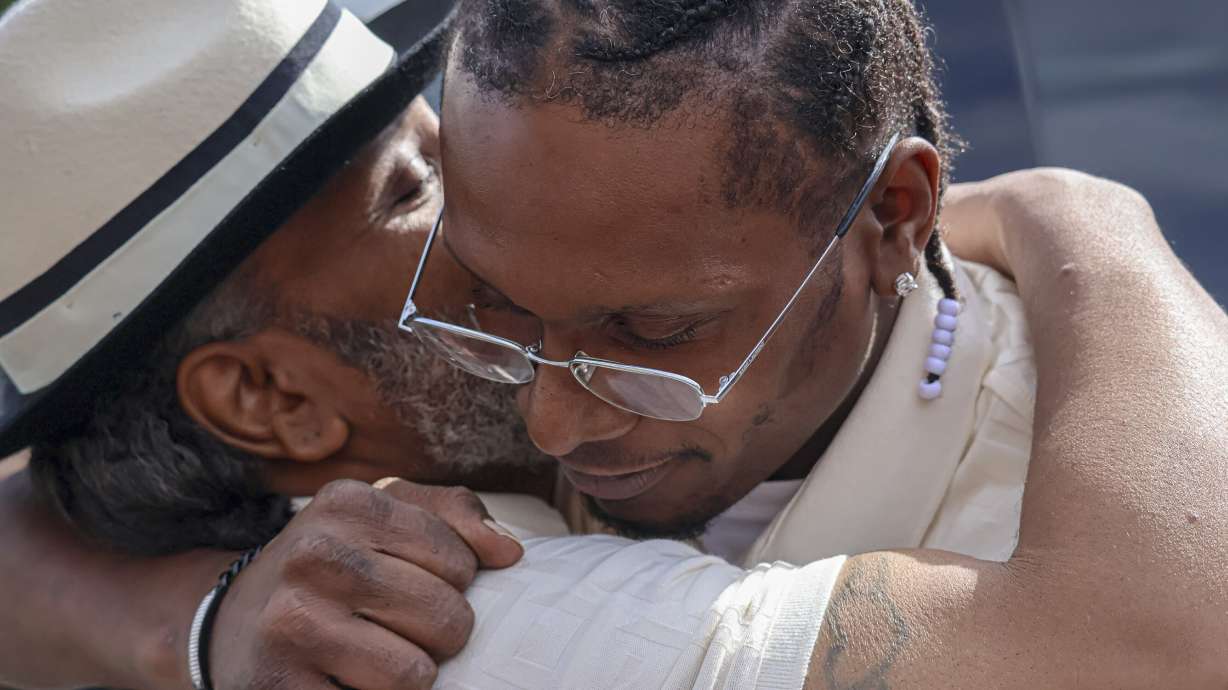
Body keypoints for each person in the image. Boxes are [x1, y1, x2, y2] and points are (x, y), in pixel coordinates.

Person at [1, 1, 1224, 689]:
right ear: (266, 406)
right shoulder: (416, 570)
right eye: (422, 200)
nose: (552, 414)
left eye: (653, 330)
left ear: (894, 214)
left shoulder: (1089, 486)